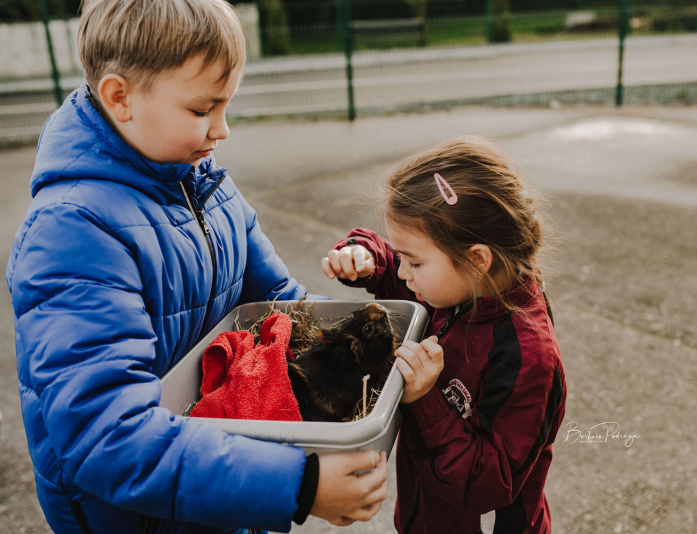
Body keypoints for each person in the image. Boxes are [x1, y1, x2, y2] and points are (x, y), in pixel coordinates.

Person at [6, 1, 387, 533]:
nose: (222, 130)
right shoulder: (72, 233)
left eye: (226, 106)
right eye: (202, 110)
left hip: (224, 476)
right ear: (120, 98)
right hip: (140, 519)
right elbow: (107, 438)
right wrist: (296, 485)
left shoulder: (204, 186)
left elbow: (282, 303)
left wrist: (384, 352)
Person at [321, 136, 568, 533]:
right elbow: (403, 277)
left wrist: (426, 401)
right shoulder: (463, 287)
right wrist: (366, 258)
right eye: (401, 257)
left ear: (477, 260)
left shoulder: (527, 358)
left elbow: (489, 484)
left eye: (414, 262)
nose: (403, 272)